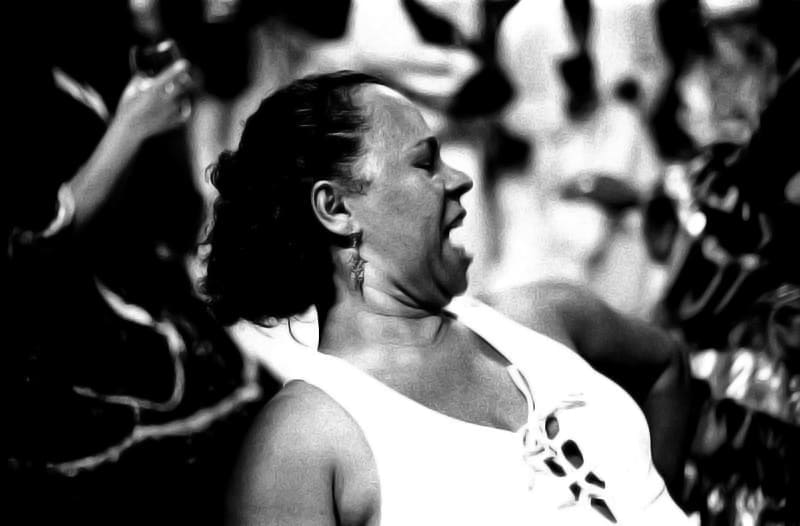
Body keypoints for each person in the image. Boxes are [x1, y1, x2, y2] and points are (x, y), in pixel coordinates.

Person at [202, 71, 693, 525]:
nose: (461, 179)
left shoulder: (544, 315)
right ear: (336, 208)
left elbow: (667, 364)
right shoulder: (303, 442)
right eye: (425, 163)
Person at [4, 4, 275, 524]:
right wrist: (130, 128)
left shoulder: (97, 46)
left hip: (143, 284)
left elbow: (173, 209)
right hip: (58, 334)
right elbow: (33, 246)